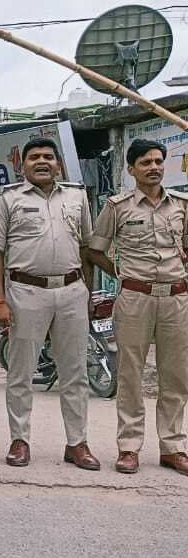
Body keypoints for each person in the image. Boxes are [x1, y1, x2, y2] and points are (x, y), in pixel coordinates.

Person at [0, 136, 96, 469]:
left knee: (75, 373)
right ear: (23, 165)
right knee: (21, 371)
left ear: (58, 164)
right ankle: (19, 441)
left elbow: (86, 248)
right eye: (34, 157)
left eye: (49, 156)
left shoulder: (77, 197)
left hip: (72, 290)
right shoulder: (6, 200)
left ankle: (77, 443)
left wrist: (87, 293)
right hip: (25, 292)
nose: (42, 161)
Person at [87, 138, 188, 476]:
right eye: (146, 162)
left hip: (176, 298)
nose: (154, 167)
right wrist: (120, 272)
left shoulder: (181, 205)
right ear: (131, 169)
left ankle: (173, 447)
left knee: (175, 376)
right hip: (134, 298)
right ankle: (129, 447)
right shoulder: (117, 207)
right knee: (130, 373)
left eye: (158, 161)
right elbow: (95, 249)